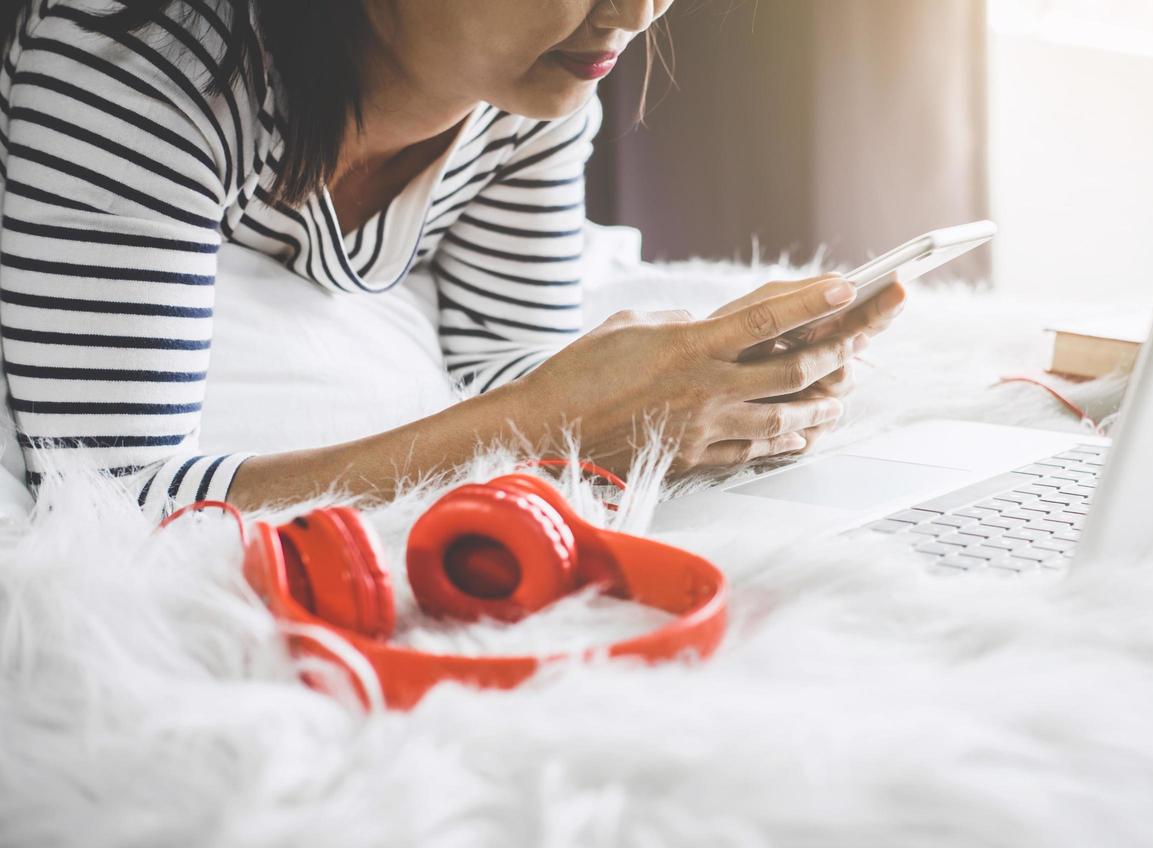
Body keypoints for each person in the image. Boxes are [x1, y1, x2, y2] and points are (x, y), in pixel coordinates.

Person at [0, 0, 905, 516]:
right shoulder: (141, 65)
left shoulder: (534, 93)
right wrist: (545, 428)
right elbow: (109, 503)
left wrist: (700, 385)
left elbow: (499, 360)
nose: (633, 13)